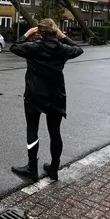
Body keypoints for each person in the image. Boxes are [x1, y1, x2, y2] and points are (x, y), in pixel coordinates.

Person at [8, 18, 84, 182]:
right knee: (55, 132)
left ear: (39, 32)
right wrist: (62, 36)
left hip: (34, 95)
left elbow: (14, 47)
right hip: (56, 95)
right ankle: (54, 169)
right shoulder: (62, 48)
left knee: (32, 129)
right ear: (55, 31)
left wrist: (27, 34)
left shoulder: (32, 47)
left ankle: (32, 168)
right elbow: (79, 49)